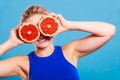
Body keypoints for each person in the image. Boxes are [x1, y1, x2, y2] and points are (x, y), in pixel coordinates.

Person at [0, 5, 116, 80]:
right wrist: (11, 43)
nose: (40, 34)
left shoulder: (69, 52)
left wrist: (68, 25)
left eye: (43, 27)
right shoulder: (22, 63)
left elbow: (109, 31)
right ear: (25, 34)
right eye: (33, 29)